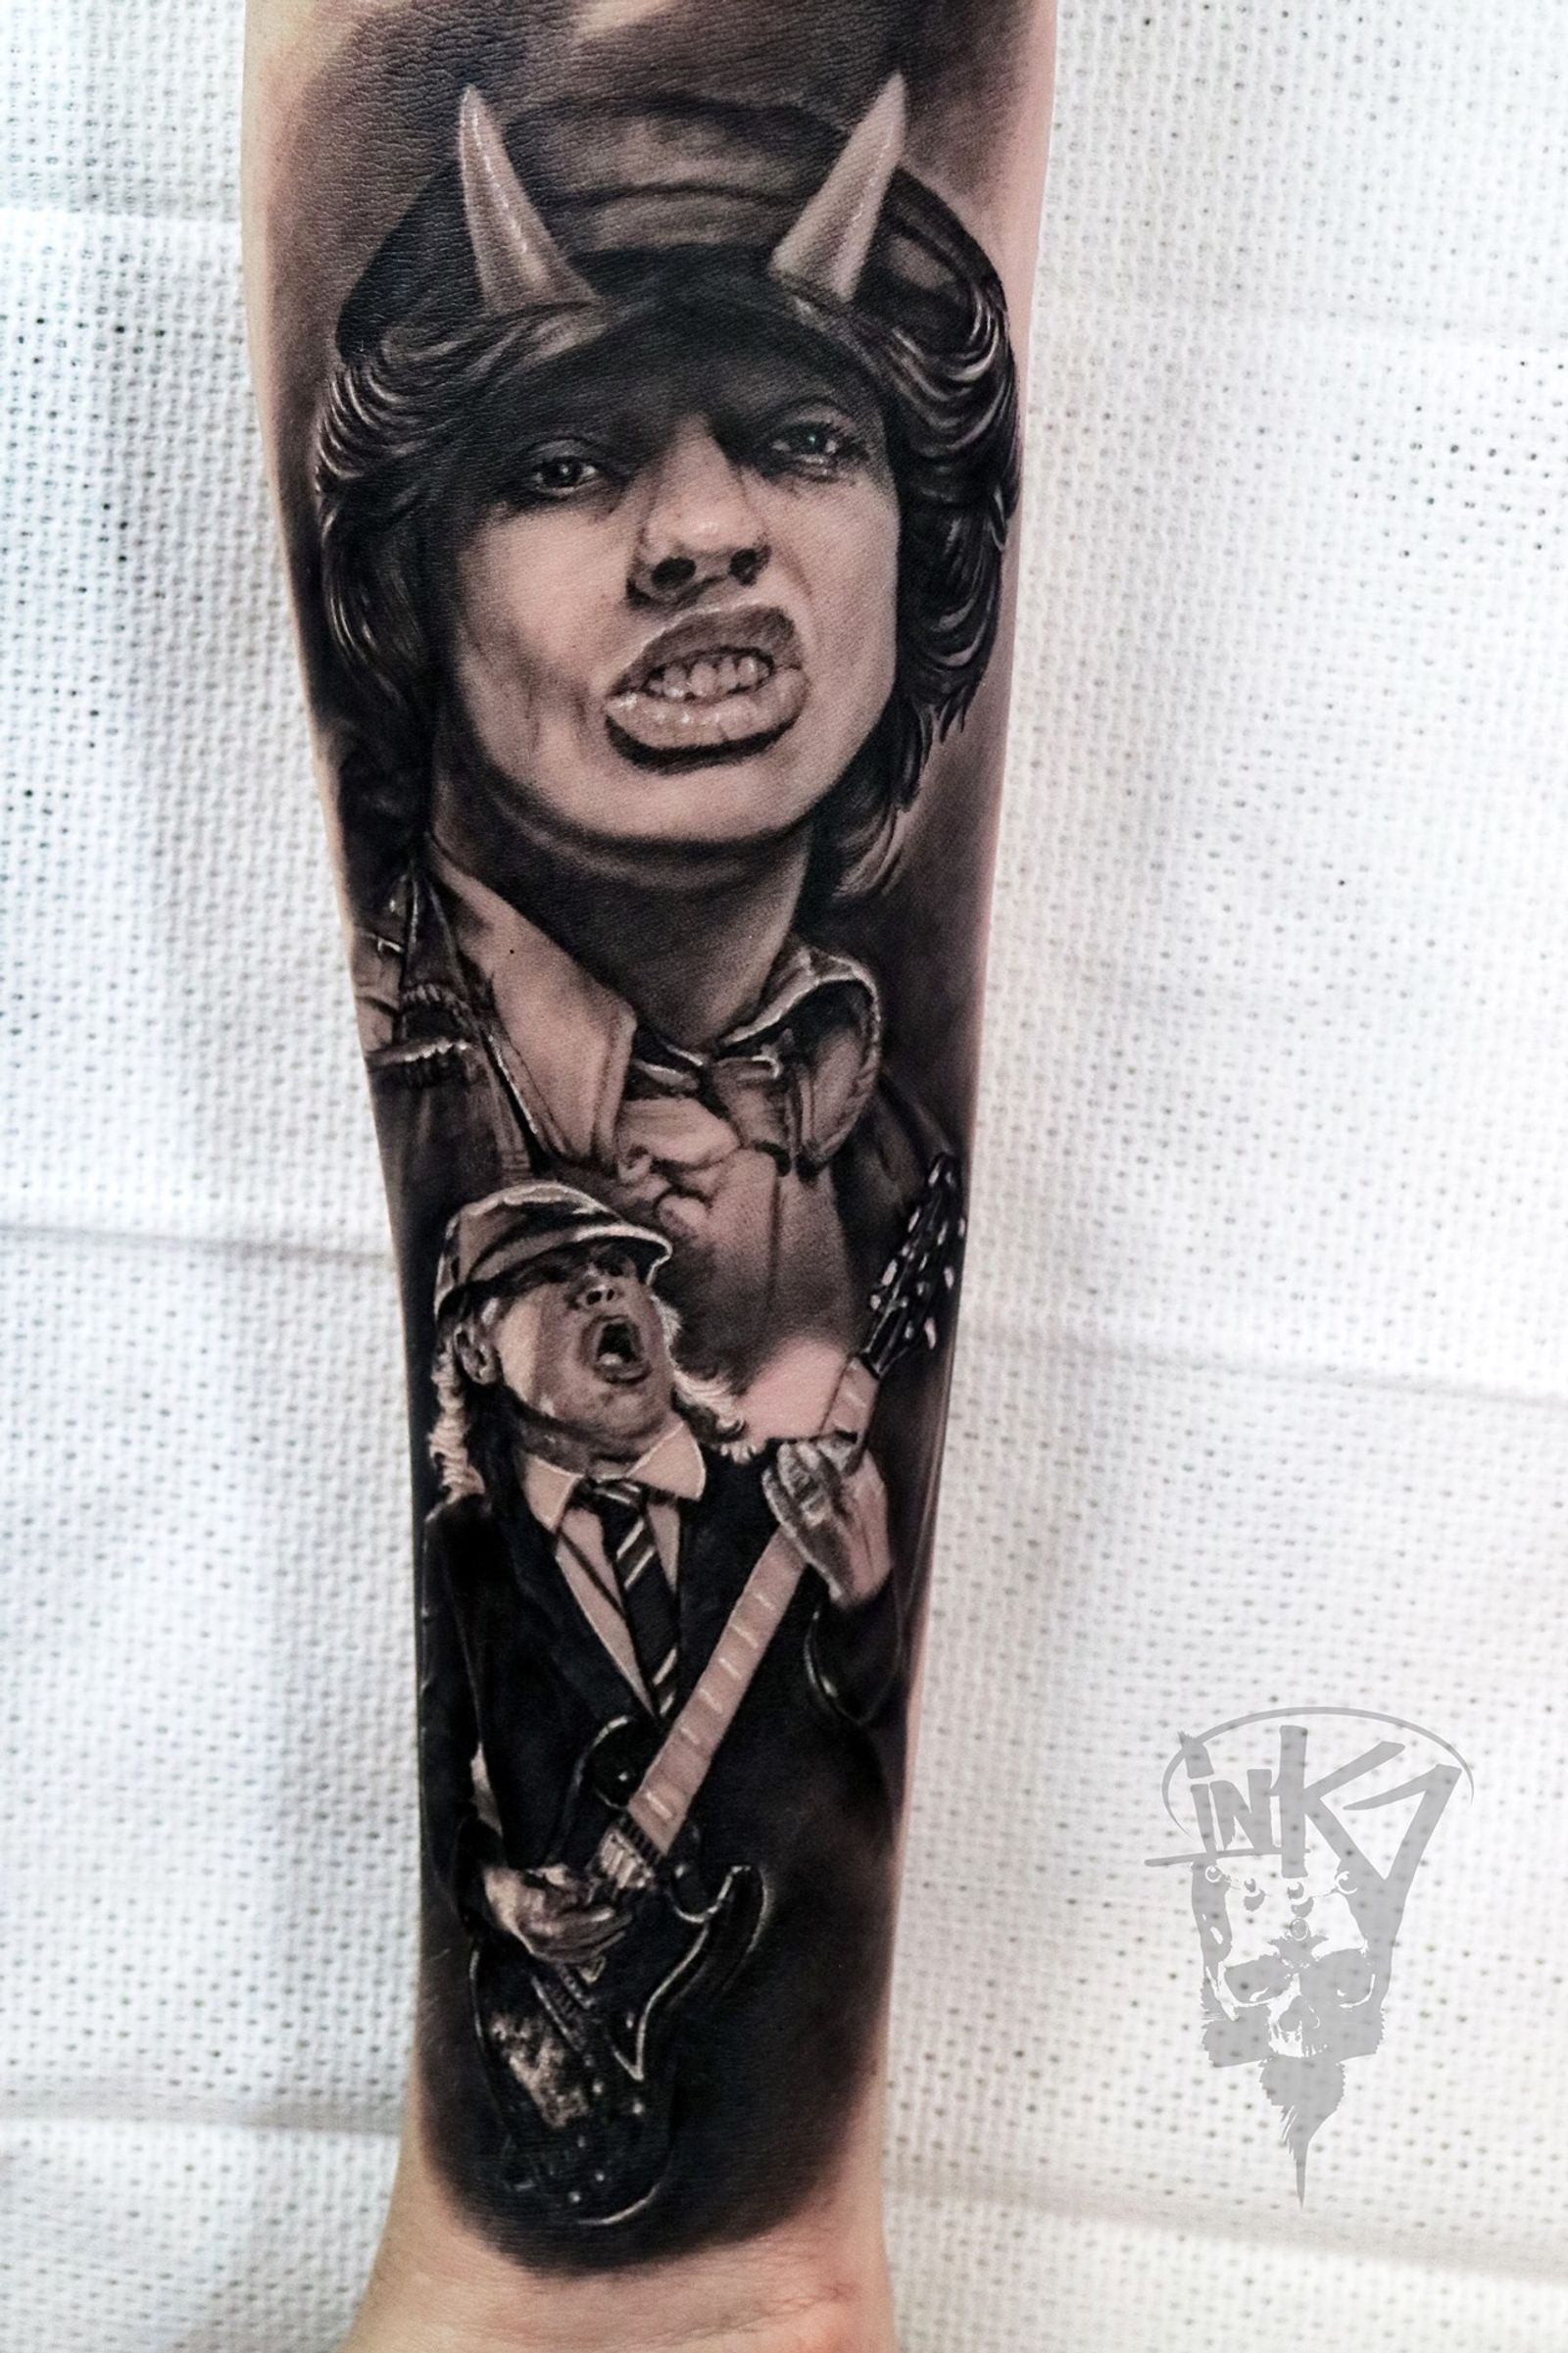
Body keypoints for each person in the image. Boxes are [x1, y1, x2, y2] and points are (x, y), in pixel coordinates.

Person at [315, 79, 1019, 1433]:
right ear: (408, 586)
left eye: (804, 441)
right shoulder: (360, 1081)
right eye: (563, 464)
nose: (704, 531)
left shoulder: (892, 1161)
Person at [418, 1180, 902, 2246]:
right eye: (552, 1276)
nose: (604, 1287)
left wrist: (867, 1599)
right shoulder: (467, 1560)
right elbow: (437, 1786)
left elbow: (869, 1759)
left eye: (622, 1269)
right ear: (477, 1350)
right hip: (584, 2062)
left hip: (791, 2050)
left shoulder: (778, 1510)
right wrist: (502, 1897)